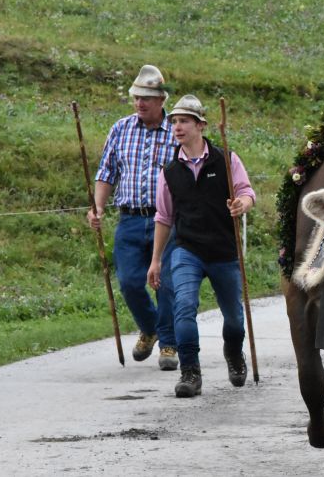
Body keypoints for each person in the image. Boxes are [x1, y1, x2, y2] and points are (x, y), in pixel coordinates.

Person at [147, 94, 256, 398]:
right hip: (187, 249)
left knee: (234, 319)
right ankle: (190, 371)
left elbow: (247, 192)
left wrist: (240, 205)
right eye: (174, 122)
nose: (177, 127)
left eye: (184, 121)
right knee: (183, 307)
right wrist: (156, 260)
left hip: (223, 249)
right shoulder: (168, 172)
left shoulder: (226, 159)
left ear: (201, 125)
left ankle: (234, 353)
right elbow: (164, 217)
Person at [87, 65, 179, 371]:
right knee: (128, 281)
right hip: (129, 218)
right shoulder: (121, 128)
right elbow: (107, 171)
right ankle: (151, 327)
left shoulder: (175, 132)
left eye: (147, 98)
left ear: (161, 100)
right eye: (137, 97)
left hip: (165, 220)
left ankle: (168, 343)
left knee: (165, 281)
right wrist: (98, 207)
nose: (140, 103)